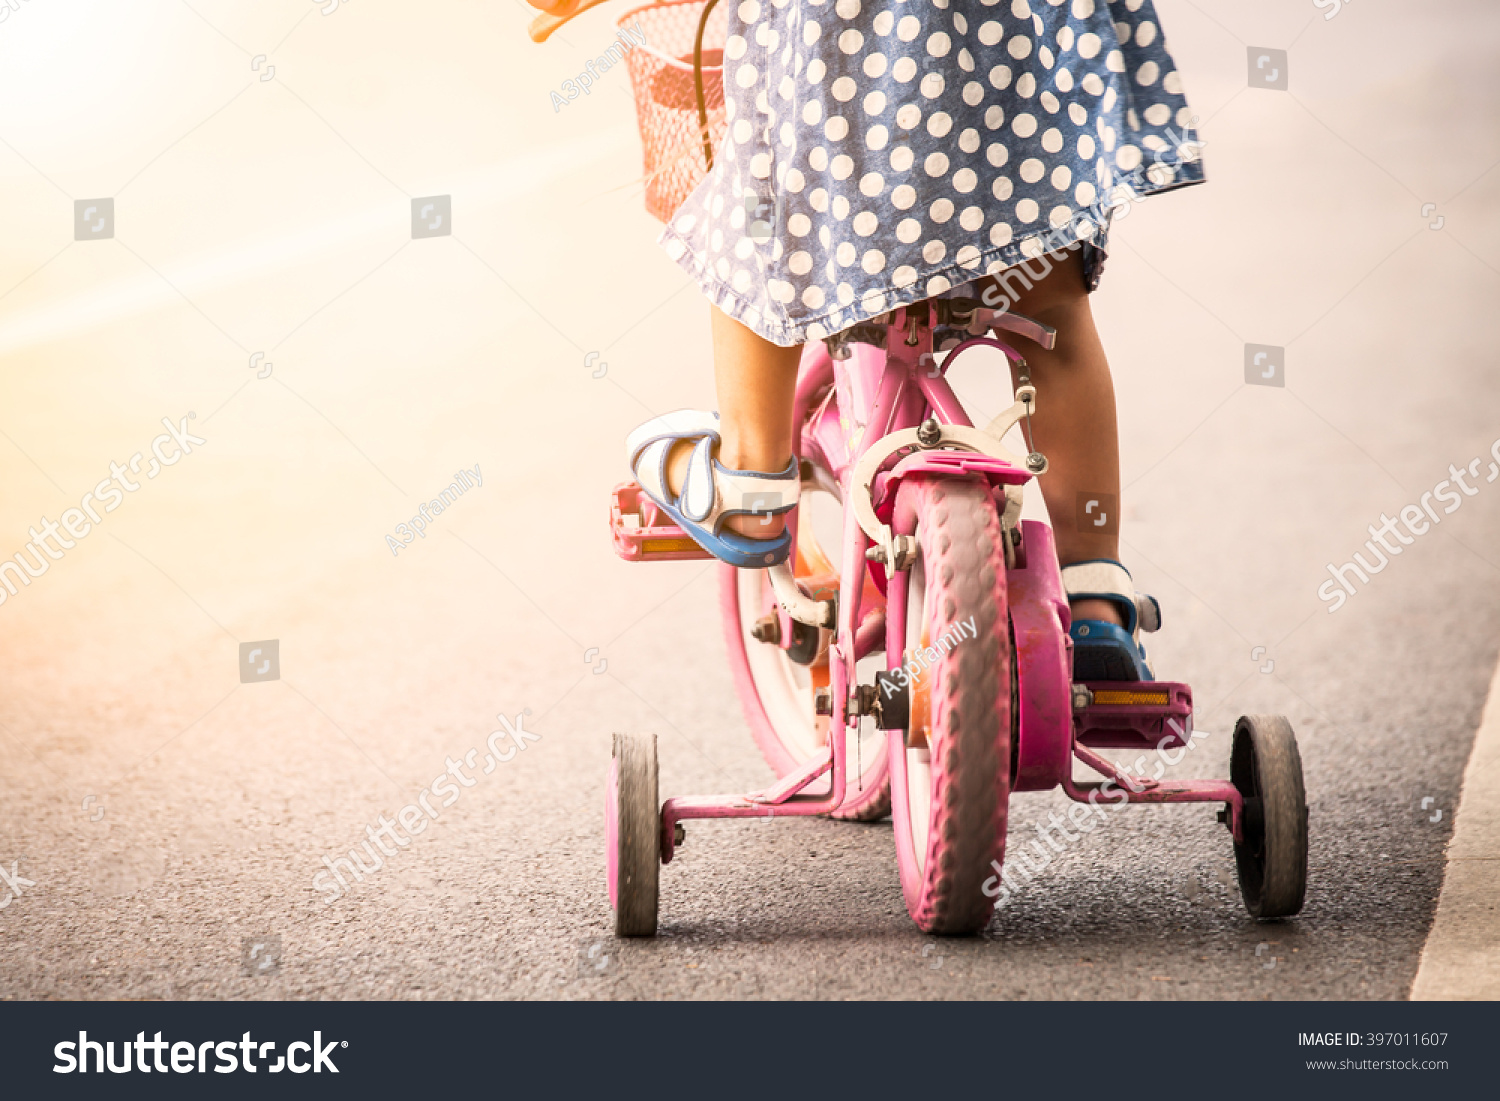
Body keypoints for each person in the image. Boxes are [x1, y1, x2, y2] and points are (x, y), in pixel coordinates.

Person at [620, 0, 1201, 681]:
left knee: (758, 228)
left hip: (832, 63)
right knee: (1055, 327)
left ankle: (750, 487)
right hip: (1008, 73)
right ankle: (1096, 596)